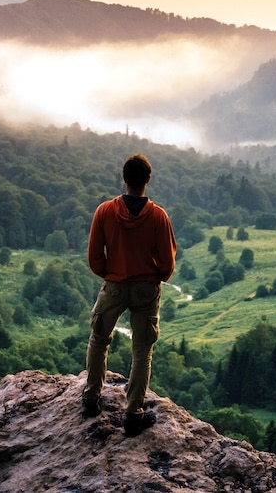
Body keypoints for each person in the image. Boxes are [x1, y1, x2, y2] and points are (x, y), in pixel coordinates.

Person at [83, 153, 177, 437]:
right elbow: (167, 264)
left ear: (124, 178)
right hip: (145, 288)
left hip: (113, 285)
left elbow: (94, 256)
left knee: (99, 340)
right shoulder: (158, 216)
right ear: (147, 180)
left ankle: (90, 399)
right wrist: (154, 276)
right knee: (142, 351)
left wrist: (111, 274)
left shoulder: (105, 212)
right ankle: (133, 413)